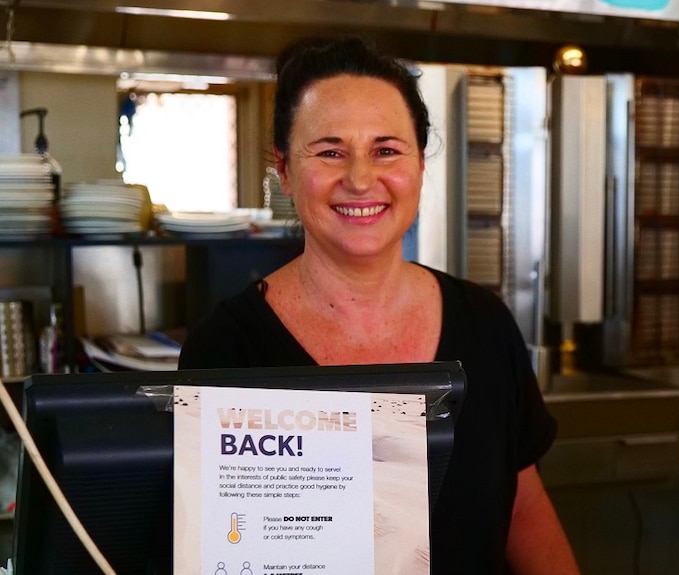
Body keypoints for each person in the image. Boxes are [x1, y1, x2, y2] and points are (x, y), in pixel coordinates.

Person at [179, 35, 580, 574]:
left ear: (418, 164)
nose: (361, 179)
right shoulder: (226, 348)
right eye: (330, 152)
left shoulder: (486, 325)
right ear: (284, 170)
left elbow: (524, 508)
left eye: (386, 150)